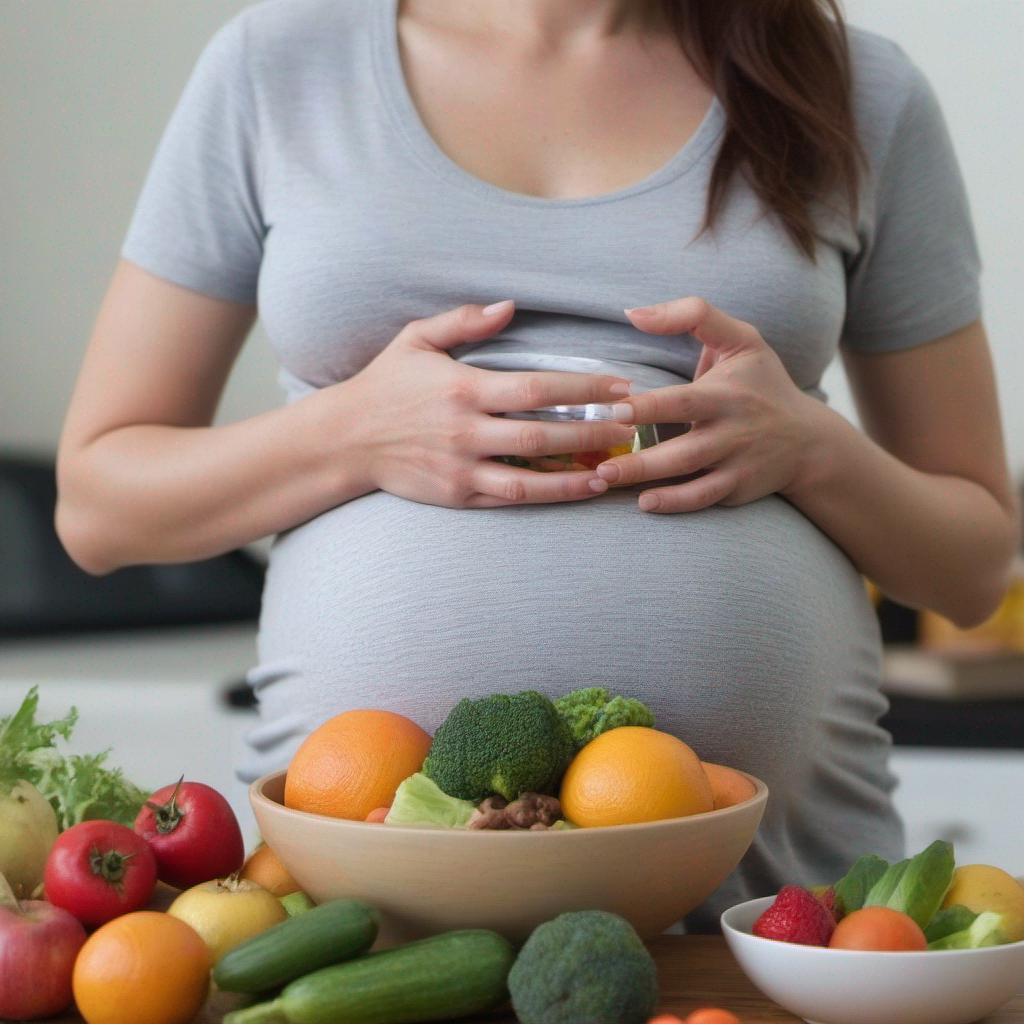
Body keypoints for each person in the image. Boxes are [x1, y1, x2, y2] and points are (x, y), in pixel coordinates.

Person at [55, 0, 1017, 931]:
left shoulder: (857, 88)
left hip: (780, 917)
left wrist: (811, 448)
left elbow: (973, 569)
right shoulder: (276, 66)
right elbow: (99, 509)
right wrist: (351, 435)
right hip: (361, 927)